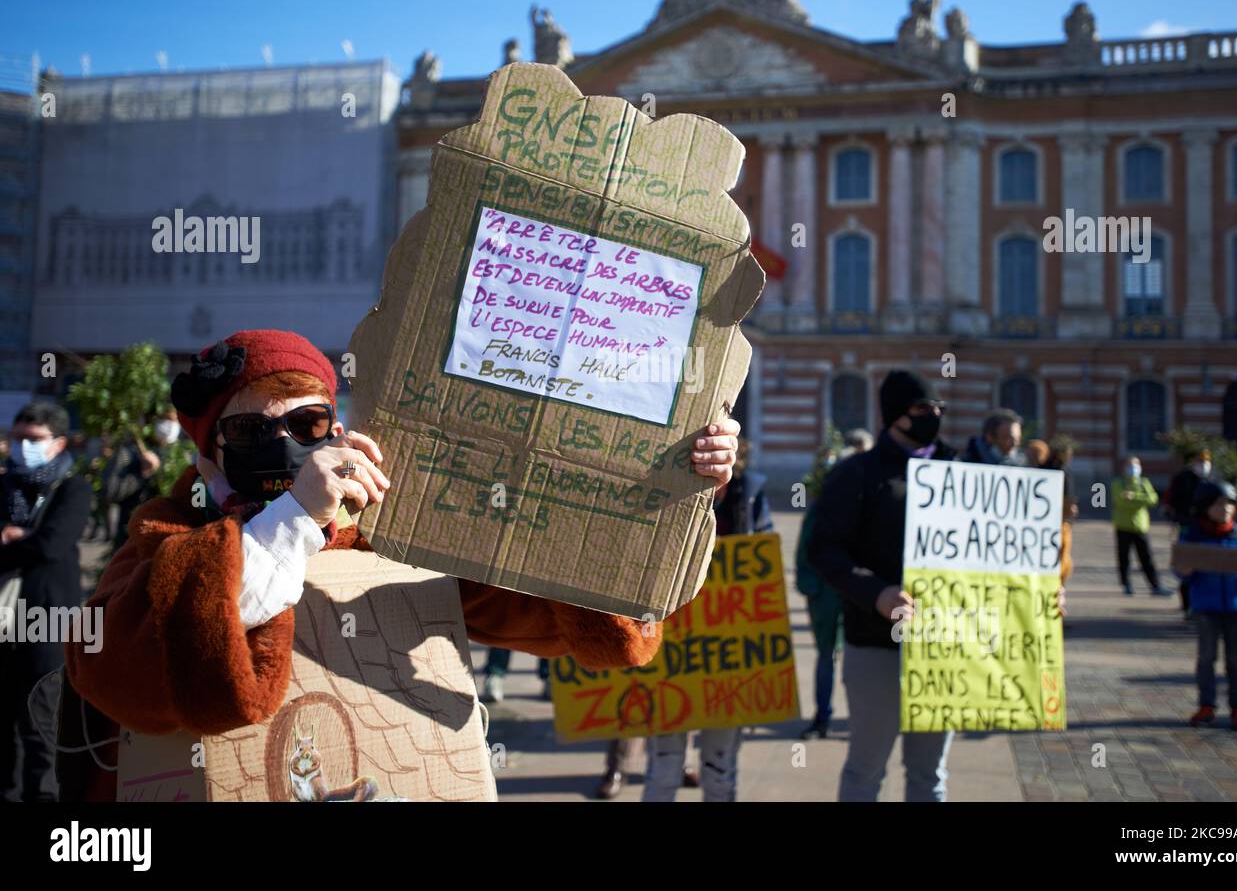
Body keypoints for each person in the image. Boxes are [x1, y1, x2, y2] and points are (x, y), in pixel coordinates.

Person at [60, 330, 740, 800]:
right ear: (208, 457)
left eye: (306, 424)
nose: (283, 443)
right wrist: (292, 518)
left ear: (338, 429)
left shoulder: (384, 533)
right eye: (248, 430)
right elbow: (113, 668)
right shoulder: (168, 532)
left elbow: (551, 600)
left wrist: (664, 486)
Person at [808, 370, 960, 802]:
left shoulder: (962, 470)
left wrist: (1040, 593)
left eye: (938, 409)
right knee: (865, 768)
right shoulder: (857, 473)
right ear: (895, 414)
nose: (933, 415)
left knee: (930, 774)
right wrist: (875, 593)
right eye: (921, 409)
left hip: (945, 648)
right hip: (876, 645)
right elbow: (824, 551)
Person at [637, 438, 771, 803]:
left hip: (726, 657)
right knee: (663, 770)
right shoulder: (667, 488)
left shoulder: (750, 494)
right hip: (671, 654)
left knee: (720, 771)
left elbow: (764, 570)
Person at [0, 401, 93, 801]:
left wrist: (13, 539)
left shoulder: (73, 487)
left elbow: (54, 544)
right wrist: (27, 542)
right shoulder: (3, 486)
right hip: (4, 616)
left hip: (49, 616)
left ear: (57, 443)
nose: (23, 446)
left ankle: (45, 797)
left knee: (41, 717)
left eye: (33, 439)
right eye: (17, 438)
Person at [1176, 480, 1237, 733]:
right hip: (1206, 608)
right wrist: (1184, 572)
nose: (1226, 508)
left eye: (1230, 503)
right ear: (1206, 506)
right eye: (1219, 503)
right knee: (1206, 658)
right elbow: (1183, 573)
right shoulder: (1193, 536)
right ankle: (1207, 706)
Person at [795, 445, 843, 739]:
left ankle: (863, 718)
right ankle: (822, 716)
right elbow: (805, 551)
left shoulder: (866, 507)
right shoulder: (819, 510)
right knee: (827, 657)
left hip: (857, 597)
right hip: (826, 595)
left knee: (861, 662)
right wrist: (810, 587)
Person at [1111, 456, 1168, 596]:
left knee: (1146, 557)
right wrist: (1140, 500)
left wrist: (1134, 497)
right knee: (1124, 558)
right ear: (1124, 467)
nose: (1133, 469)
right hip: (1123, 525)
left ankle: (1155, 585)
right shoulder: (1118, 483)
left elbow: (1153, 499)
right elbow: (1121, 501)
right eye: (1130, 465)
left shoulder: (1144, 482)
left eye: (1136, 465)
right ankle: (1126, 584)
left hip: (1140, 526)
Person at [1167, 449, 1213, 618]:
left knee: (1205, 567)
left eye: (1206, 461)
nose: (1204, 464)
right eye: (1200, 461)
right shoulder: (1183, 479)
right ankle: (1187, 606)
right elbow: (1174, 501)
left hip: (1207, 528)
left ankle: (1201, 604)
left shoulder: (1210, 480)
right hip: (1188, 526)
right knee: (1187, 565)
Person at [1045, 438, 1079, 586]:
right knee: (1061, 556)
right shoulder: (1061, 472)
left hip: (1056, 520)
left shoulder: (1050, 469)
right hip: (1060, 521)